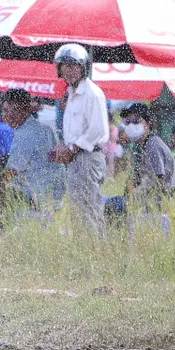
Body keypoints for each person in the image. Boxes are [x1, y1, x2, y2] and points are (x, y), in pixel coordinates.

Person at [50, 43, 109, 236]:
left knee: (89, 209)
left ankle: (96, 254)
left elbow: (97, 130)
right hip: (76, 157)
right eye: (65, 66)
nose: (70, 70)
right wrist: (65, 147)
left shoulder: (91, 93)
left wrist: (73, 148)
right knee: (77, 210)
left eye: (74, 65)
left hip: (88, 157)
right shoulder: (70, 94)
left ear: (84, 67)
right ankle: (84, 253)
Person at [1, 88, 65, 206]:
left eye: (14, 110)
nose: (8, 115)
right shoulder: (45, 129)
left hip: (36, 197)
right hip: (55, 194)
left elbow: (11, 171)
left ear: (26, 110)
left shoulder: (25, 134)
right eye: (5, 110)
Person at [117, 103, 175, 211]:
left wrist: (133, 196)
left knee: (114, 206)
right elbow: (137, 177)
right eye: (128, 122)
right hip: (149, 197)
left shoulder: (153, 144)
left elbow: (157, 179)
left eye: (136, 121)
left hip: (160, 199)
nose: (131, 125)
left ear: (148, 124)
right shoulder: (139, 146)